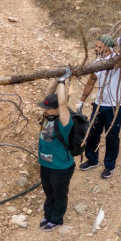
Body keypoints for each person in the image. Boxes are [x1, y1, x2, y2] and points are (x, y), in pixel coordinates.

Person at [76, 34, 121, 179]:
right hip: (99, 103)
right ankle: (92, 159)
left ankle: (109, 166)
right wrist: (81, 100)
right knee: (93, 132)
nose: (96, 48)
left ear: (108, 47)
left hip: (115, 105)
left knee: (112, 136)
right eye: (95, 46)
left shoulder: (119, 60)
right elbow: (91, 81)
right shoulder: (97, 62)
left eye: (99, 46)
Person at [36, 70, 74, 231]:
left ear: (56, 109)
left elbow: (63, 103)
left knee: (59, 194)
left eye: (48, 108)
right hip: (46, 165)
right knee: (49, 191)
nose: (45, 110)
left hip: (61, 167)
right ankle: (48, 214)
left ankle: (56, 219)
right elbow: (48, 93)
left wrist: (62, 83)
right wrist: (56, 76)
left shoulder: (64, 122)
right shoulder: (47, 117)